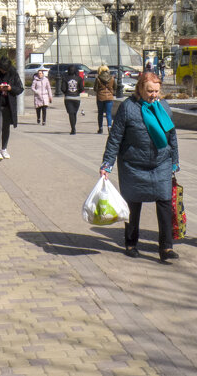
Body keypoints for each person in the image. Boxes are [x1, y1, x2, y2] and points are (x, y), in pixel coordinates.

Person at [99, 71, 180, 262]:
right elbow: (115, 138)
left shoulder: (163, 106)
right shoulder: (128, 107)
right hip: (133, 164)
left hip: (161, 163)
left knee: (165, 202)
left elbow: (172, 135)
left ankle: (166, 248)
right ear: (140, 88)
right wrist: (107, 164)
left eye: (157, 91)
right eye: (150, 91)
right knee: (133, 204)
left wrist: (175, 160)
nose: (154, 95)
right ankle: (131, 243)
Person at [60, 64, 84, 135]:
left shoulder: (65, 78)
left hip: (68, 98)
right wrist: (77, 92)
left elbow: (63, 88)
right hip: (77, 98)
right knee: (74, 113)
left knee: (71, 113)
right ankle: (73, 127)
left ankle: (73, 128)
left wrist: (66, 92)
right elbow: (82, 89)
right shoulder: (79, 78)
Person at [94, 65, 116, 134]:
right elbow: (115, 87)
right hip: (109, 97)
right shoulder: (112, 78)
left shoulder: (98, 78)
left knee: (100, 113)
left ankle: (100, 128)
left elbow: (95, 88)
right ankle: (109, 127)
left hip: (100, 97)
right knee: (108, 113)